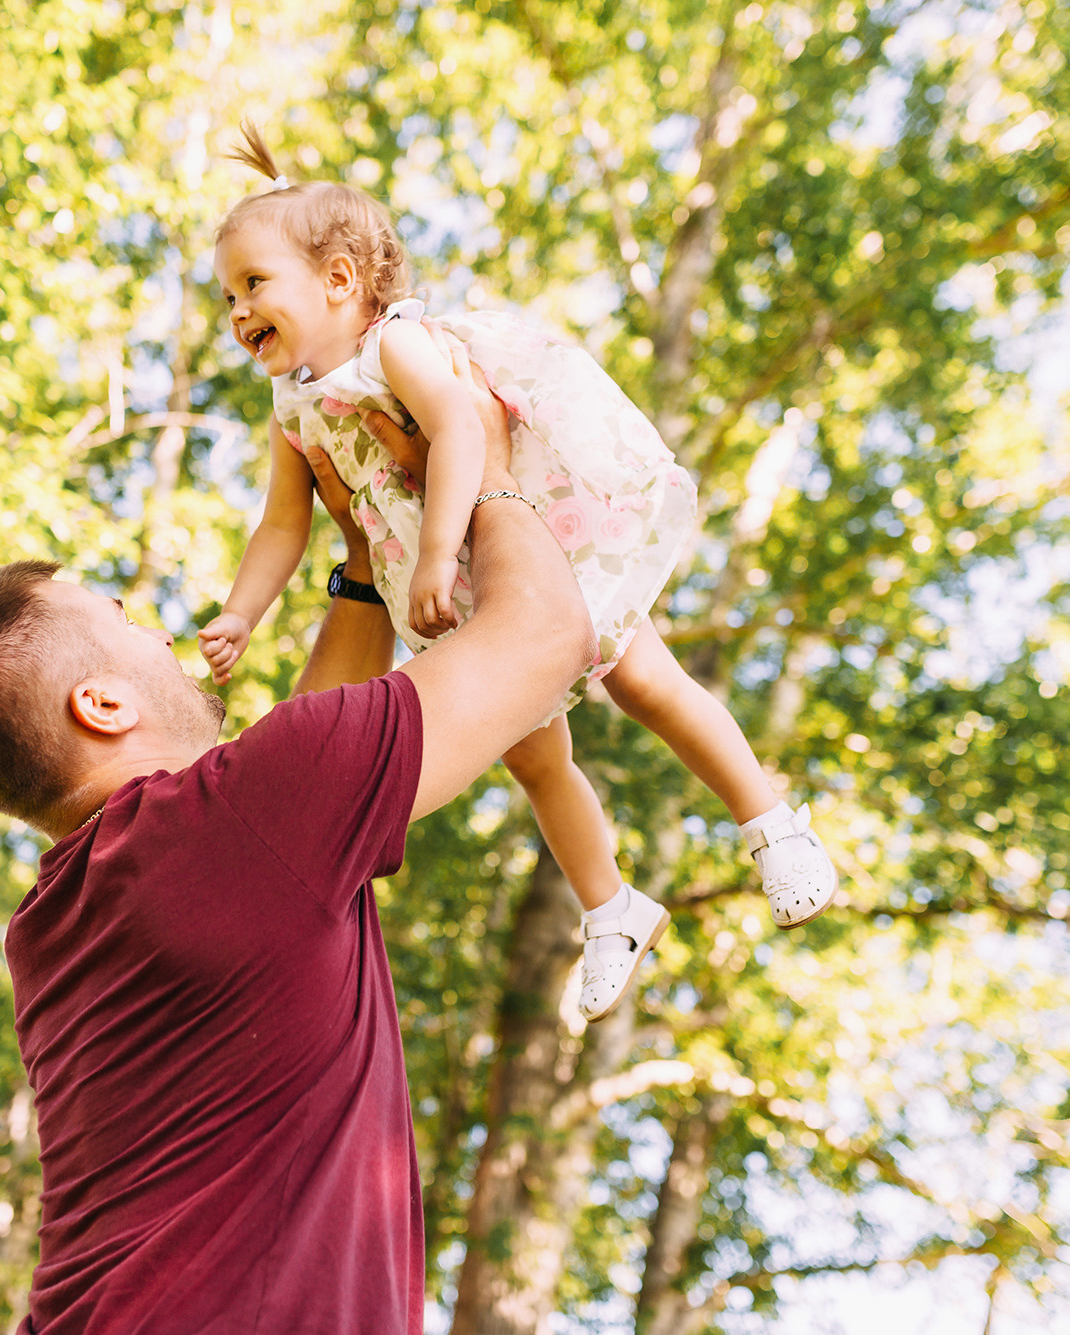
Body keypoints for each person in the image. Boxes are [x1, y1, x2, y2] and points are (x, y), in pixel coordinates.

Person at [0, 342, 593, 1334]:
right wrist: (475, 454)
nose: (159, 632)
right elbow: (543, 633)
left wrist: (360, 563)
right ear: (99, 704)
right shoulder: (237, 823)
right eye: (124, 619)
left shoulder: (62, 920)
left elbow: (296, 793)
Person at [197, 123, 839, 1023]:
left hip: (531, 546)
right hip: (454, 601)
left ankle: (771, 819)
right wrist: (241, 614)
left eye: (253, 285)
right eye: (227, 296)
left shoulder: (396, 349)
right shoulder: (291, 405)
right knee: (534, 757)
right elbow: (284, 522)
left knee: (648, 681)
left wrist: (431, 548)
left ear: (339, 280)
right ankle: (611, 907)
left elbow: (461, 429)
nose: (236, 313)